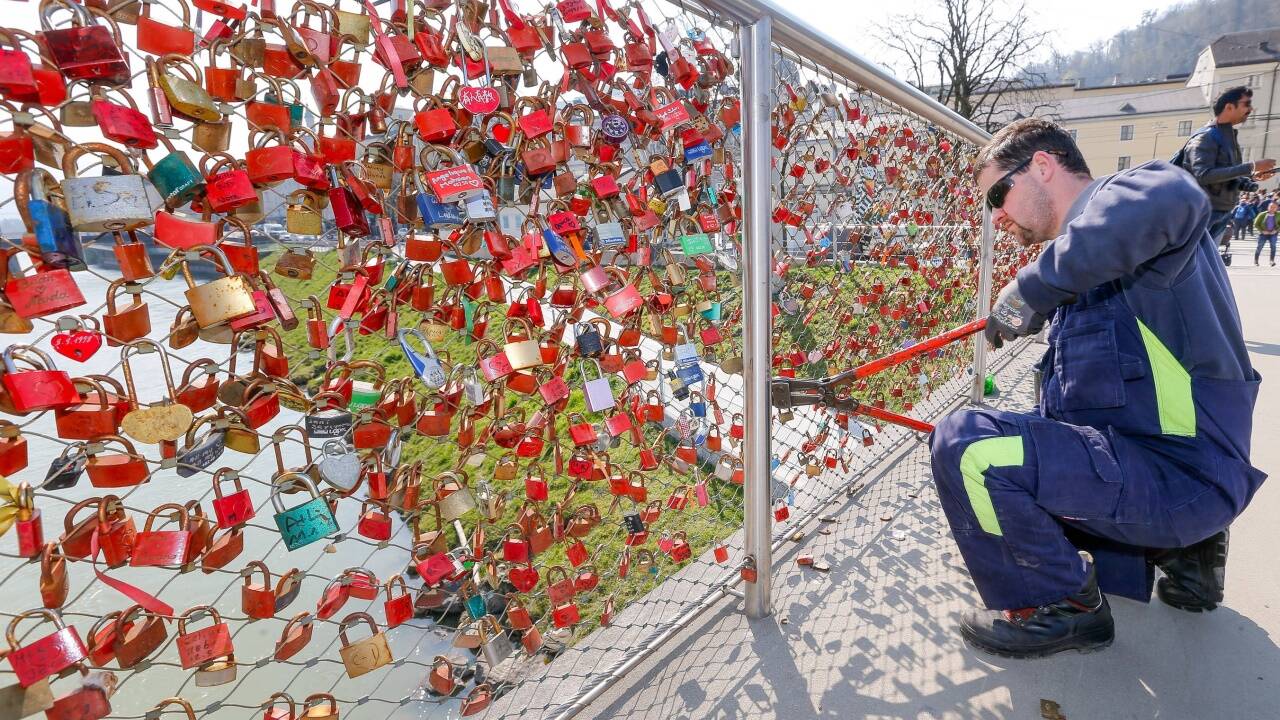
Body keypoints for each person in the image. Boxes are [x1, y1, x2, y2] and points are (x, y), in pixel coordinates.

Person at [929, 118, 1266, 658]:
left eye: (999, 193)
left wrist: (1029, 290)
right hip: (1168, 475)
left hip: (1184, 476)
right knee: (1022, 477)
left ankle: (1063, 605)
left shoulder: (1139, 193)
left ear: (1042, 165)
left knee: (967, 446)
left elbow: (1176, 197)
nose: (996, 214)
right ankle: (1186, 553)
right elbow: (1077, 419)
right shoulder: (1090, 274)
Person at [1176, 86, 1275, 246]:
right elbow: (1204, 175)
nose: (1250, 109)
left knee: (1205, 264)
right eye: (1246, 104)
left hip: (1221, 212)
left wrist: (1251, 180)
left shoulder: (1228, 137)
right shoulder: (1205, 137)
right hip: (1203, 213)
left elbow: (1227, 176)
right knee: (1194, 264)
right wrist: (1252, 166)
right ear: (1229, 107)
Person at [1254, 200, 1278, 266]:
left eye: (1274, 207)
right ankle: (1256, 261)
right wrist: (1262, 231)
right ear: (1268, 207)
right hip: (1263, 234)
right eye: (1271, 207)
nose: (1272, 209)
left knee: (1273, 247)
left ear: (1277, 208)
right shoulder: (1262, 214)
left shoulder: (1278, 215)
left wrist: (1276, 230)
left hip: (1273, 234)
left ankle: (1271, 261)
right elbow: (1256, 224)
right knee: (1259, 247)